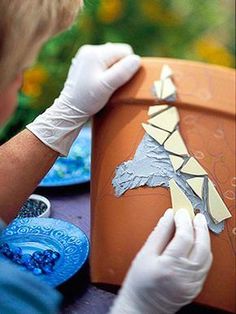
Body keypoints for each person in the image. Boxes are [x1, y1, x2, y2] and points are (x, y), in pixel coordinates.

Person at [0, 1, 212, 313]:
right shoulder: (13, 296)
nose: (21, 84)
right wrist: (137, 307)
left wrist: (64, 113)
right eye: (18, 71)